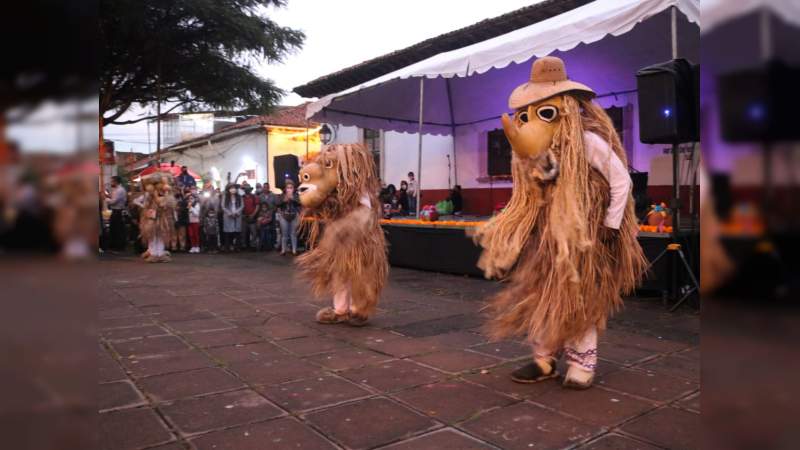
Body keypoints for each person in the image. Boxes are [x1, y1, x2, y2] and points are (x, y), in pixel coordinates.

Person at [473, 56, 646, 389]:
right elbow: (536, 185)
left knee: (579, 298)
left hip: (585, 238)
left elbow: (621, 181)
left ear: (565, 106)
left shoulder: (587, 141)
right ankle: (544, 360)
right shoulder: (543, 149)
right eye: (527, 115)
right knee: (541, 296)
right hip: (547, 237)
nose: (531, 121)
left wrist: (611, 226)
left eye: (545, 111)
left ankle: (583, 364)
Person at [276, 179, 301, 255]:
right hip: (284, 216)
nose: (289, 189)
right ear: (285, 189)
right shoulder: (281, 195)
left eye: (291, 187)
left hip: (294, 216)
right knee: (284, 234)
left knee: (293, 234)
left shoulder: (296, 195)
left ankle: (294, 250)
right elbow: (277, 203)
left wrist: (293, 198)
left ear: (293, 189)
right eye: (288, 187)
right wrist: (284, 200)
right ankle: (283, 250)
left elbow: (300, 203)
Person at [105, 176, 127, 251]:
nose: (111, 183)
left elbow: (113, 201)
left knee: (118, 230)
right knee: (114, 229)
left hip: (118, 211)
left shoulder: (120, 190)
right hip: (115, 211)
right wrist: (108, 196)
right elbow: (113, 199)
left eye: (112, 181)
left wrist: (106, 199)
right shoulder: (116, 190)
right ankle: (115, 246)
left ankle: (119, 247)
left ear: (116, 182)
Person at [221, 183, 243, 251]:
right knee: (228, 233)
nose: (233, 189)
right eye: (231, 188)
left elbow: (242, 206)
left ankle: (237, 247)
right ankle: (227, 247)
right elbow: (223, 206)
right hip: (228, 216)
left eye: (234, 188)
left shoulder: (239, 196)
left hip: (237, 216)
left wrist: (236, 212)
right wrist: (229, 213)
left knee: (237, 233)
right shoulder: (225, 196)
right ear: (228, 189)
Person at [241, 184, 260, 250]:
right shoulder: (242, 197)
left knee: (254, 233)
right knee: (243, 233)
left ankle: (253, 245)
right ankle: (244, 245)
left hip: (252, 217)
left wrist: (253, 214)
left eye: (248, 188)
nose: (247, 190)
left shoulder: (254, 197)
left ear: (250, 189)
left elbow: (257, 206)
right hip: (244, 217)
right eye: (246, 189)